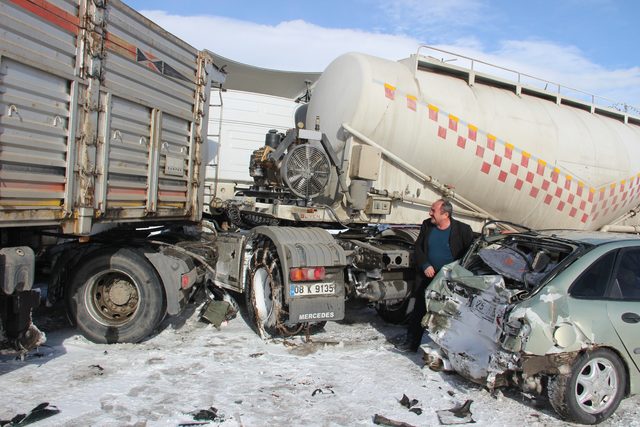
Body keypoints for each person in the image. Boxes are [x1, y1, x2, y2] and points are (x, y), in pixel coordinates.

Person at [396, 199, 474, 352]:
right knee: (419, 309)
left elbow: (470, 254)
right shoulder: (427, 225)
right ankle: (411, 343)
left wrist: (456, 272)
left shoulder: (463, 230)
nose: (430, 213)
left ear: (445, 214)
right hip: (427, 277)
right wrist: (425, 264)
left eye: (433, 210)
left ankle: (445, 349)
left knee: (448, 313)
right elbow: (418, 247)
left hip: (449, 280)